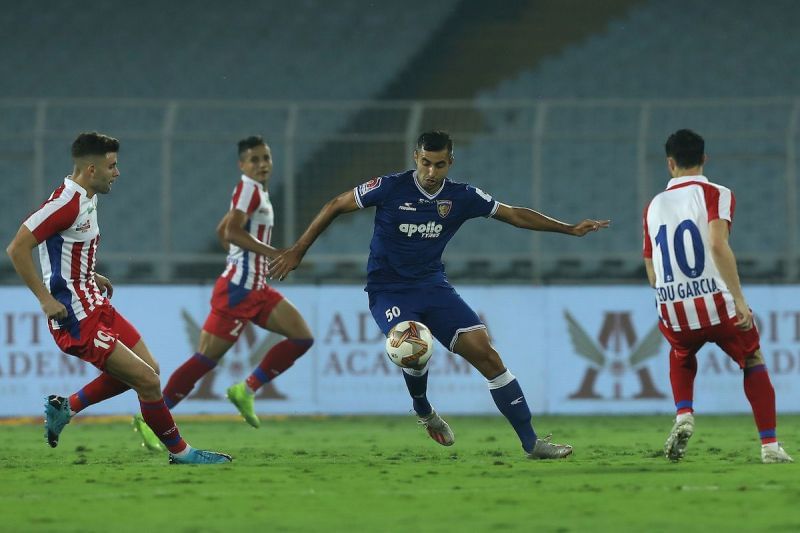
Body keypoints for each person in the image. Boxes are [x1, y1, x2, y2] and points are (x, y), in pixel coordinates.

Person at [269, 130, 609, 459]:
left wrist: (568, 228)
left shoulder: (462, 197)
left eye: (440, 165)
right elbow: (335, 204)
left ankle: (532, 443)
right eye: (426, 163)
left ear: (451, 162)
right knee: (411, 345)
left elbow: (513, 214)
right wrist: (298, 249)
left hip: (434, 287)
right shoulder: (390, 187)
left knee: (488, 357)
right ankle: (424, 409)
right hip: (388, 290)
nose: (432, 172)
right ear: (416, 157)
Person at [5, 132, 231, 464]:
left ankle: (65, 408)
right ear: (91, 169)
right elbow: (17, 248)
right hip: (76, 318)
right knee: (147, 382)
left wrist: (86, 273)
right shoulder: (65, 202)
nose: (118, 172)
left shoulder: (86, 198)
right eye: (112, 166)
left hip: (95, 302)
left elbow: (61, 251)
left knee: (149, 369)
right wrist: (44, 299)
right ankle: (182, 453)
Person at [133, 136, 314, 451]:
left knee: (301, 337)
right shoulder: (248, 188)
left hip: (257, 287)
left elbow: (223, 232)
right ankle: (154, 420)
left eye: (266, 158)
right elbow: (230, 231)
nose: (262, 165)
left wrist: (247, 258)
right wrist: (272, 254)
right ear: (242, 165)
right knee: (205, 359)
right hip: (237, 291)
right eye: (254, 160)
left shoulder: (256, 192)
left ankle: (246, 389)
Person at [642, 128, 792, 464]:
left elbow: (652, 272)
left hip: (673, 306)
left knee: (681, 352)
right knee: (752, 358)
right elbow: (716, 243)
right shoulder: (717, 193)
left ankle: (683, 414)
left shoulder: (652, 206)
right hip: (716, 302)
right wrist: (738, 299)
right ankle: (769, 445)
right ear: (704, 159)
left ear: (670, 163)